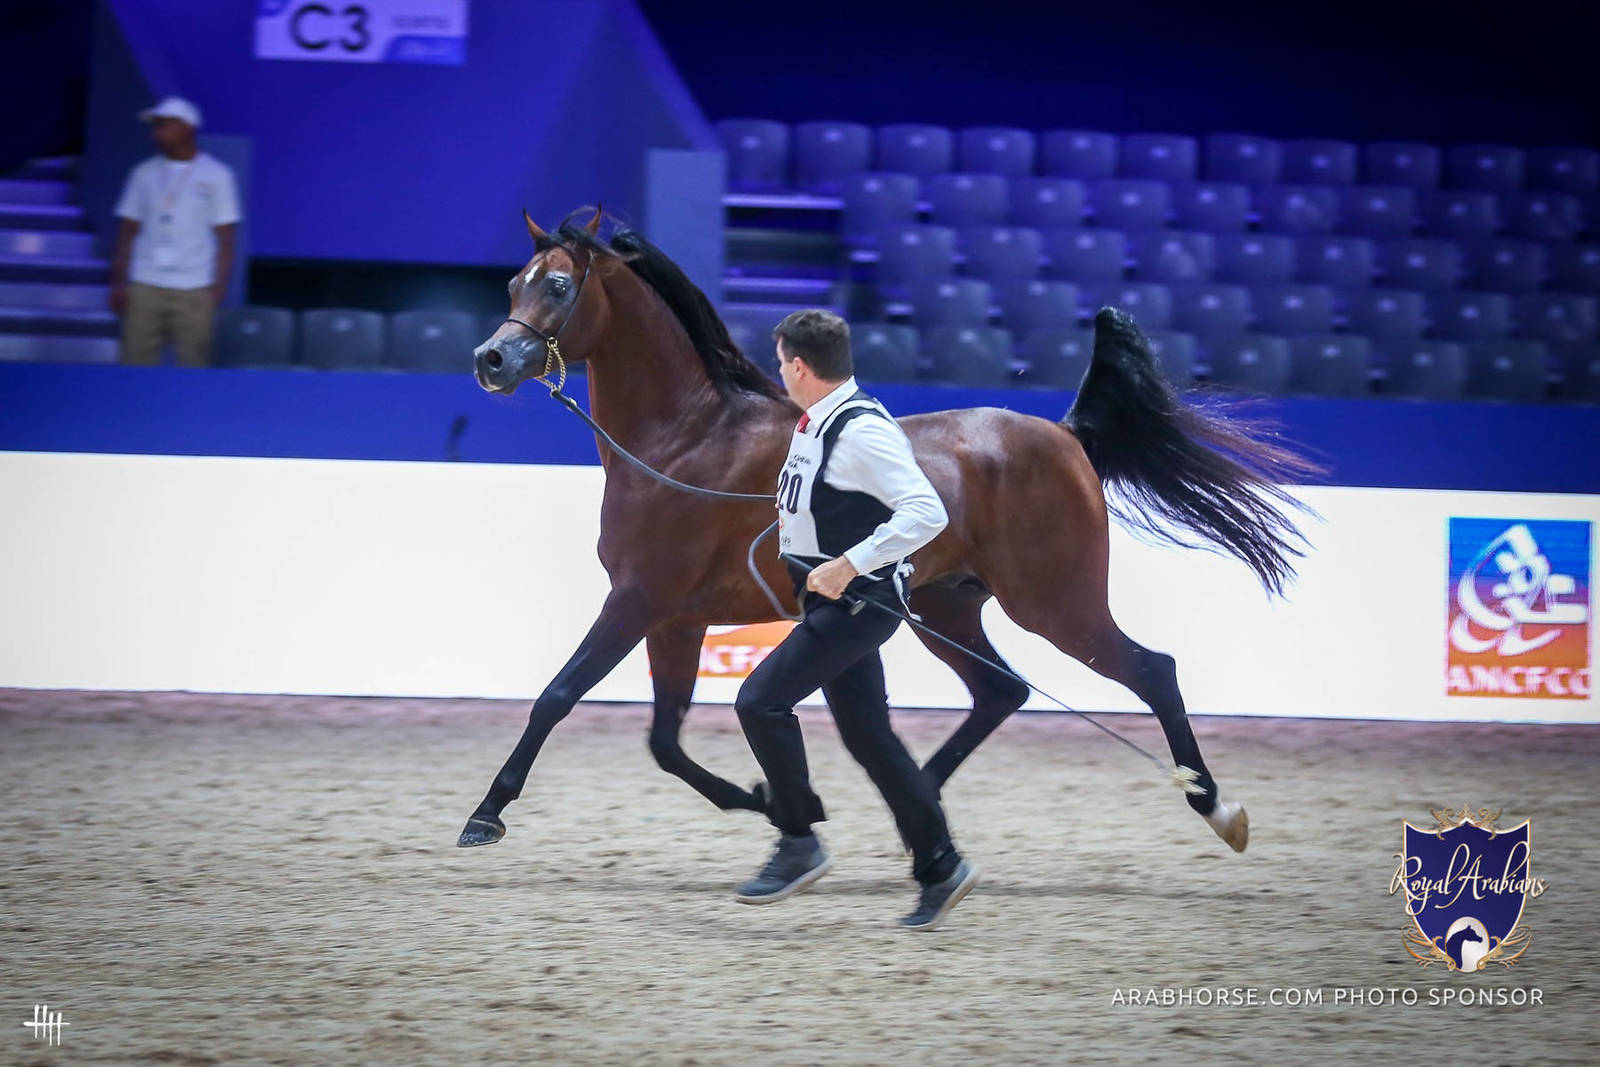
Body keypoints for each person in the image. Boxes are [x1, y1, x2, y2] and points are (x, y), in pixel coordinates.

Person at [733, 308, 979, 931]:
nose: (778, 372)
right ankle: (941, 865)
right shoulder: (820, 421)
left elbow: (927, 512)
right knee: (870, 738)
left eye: (780, 362)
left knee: (760, 701)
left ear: (798, 365)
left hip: (856, 603)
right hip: (831, 600)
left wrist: (848, 563)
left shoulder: (861, 430)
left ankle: (798, 841)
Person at [109, 96, 240, 366]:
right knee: (134, 363)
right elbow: (127, 232)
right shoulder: (142, 174)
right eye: (155, 126)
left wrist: (218, 288)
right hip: (145, 283)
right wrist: (119, 282)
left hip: (194, 287)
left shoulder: (217, 175)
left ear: (187, 128)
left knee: (193, 364)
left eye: (164, 125)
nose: (156, 133)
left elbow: (226, 238)